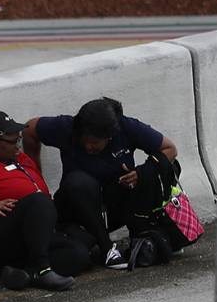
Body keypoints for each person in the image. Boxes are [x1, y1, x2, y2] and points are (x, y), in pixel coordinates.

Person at [0, 111, 91, 291]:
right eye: (13, 142)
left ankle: (24, 274)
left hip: (28, 237)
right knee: (39, 201)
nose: (19, 147)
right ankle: (43, 270)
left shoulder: (21, 159)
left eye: (19, 139)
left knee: (80, 253)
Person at [23, 97, 178, 269]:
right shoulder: (66, 127)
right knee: (78, 182)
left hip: (115, 203)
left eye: (95, 143)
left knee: (164, 168)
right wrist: (36, 178)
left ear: (110, 136)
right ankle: (107, 249)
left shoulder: (126, 127)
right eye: (85, 141)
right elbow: (29, 129)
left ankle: (147, 234)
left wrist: (140, 173)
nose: (88, 147)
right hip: (78, 208)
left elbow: (170, 149)